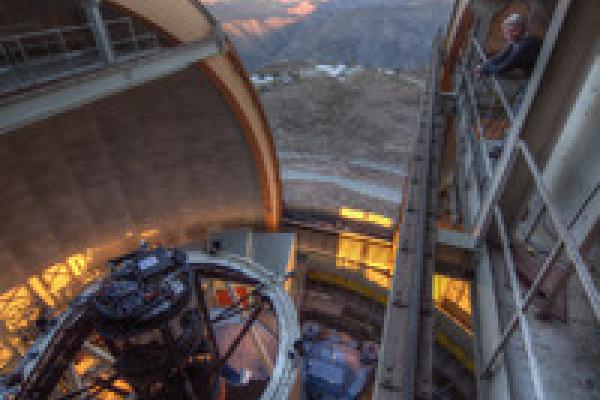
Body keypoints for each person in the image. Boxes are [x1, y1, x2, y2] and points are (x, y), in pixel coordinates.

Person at [475, 13, 542, 78]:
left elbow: (502, 68)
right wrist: (483, 66)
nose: (505, 35)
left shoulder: (523, 46)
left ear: (516, 31)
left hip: (542, 72)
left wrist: (484, 69)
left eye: (507, 31)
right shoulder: (518, 42)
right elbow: (500, 57)